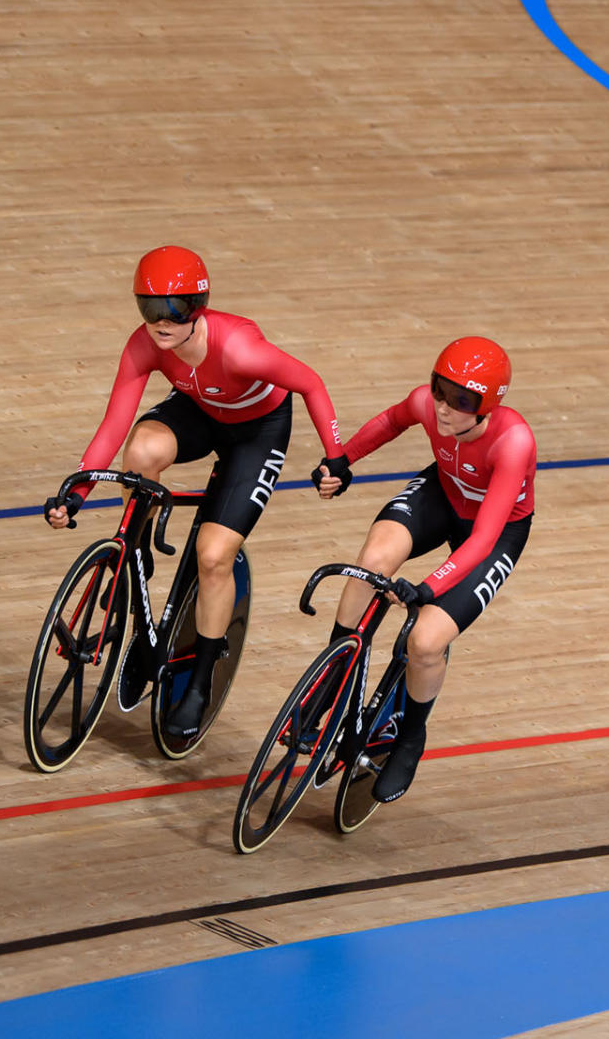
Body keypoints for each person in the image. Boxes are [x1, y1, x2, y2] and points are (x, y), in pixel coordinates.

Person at [43, 245, 352, 738]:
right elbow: (114, 425)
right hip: (200, 411)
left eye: (176, 309)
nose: (161, 323)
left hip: (257, 432)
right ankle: (135, 553)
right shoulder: (144, 346)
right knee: (141, 449)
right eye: (151, 309)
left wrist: (335, 456)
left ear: (199, 307)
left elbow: (310, 383)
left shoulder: (238, 348)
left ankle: (201, 681)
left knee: (212, 557)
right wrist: (77, 492)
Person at [316, 336, 536, 803]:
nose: (444, 408)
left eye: (462, 400)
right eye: (440, 389)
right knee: (371, 562)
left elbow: (481, 540)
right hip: (444, 491)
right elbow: (390, 422)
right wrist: (343, 460)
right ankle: (330, 677)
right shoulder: (426, 404)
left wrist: (426, 588)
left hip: (492, 532)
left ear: (488, 406)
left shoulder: (513, 442)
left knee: (425, 640)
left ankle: (411, 739)